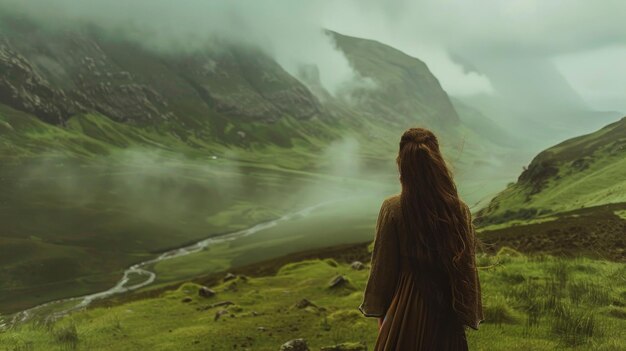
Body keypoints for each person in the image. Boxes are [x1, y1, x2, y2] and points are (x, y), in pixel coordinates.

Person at [359, 127, 483, 350]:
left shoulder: (392, 208)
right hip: (447, 314)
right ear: (437, 162)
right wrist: (464, 312)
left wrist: (385, 319)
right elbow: (467, 269)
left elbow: (383, 269)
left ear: (402, 163)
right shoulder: (459, 209)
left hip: (404, 311)